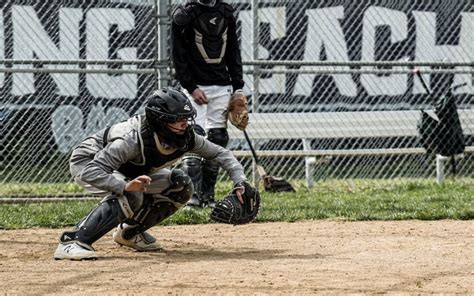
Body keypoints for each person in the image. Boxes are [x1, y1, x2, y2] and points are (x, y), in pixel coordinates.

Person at [54, 87, 254, 260]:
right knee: (132, 194)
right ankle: (74, 241)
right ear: (160, 121)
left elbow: (221, 153)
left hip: (126, 170)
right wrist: (123, 186)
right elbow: (91, 171)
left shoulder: (186, 137)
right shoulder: (131, 139)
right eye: (178, 120)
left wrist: (240, 181)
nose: (185, 124)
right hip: (89, 163)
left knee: (180, 185)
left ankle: (130, 233)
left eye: (186, 118)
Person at [171, 0, 245, 208]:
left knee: (218, 139)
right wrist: (191, 87)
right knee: (194, 138)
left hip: (221, 84)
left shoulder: (226, 12)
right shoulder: (184, 14)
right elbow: (178, 54)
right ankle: (192, 197)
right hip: (195, 86)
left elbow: (233, 50)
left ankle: (208, 197)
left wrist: (238, 87)